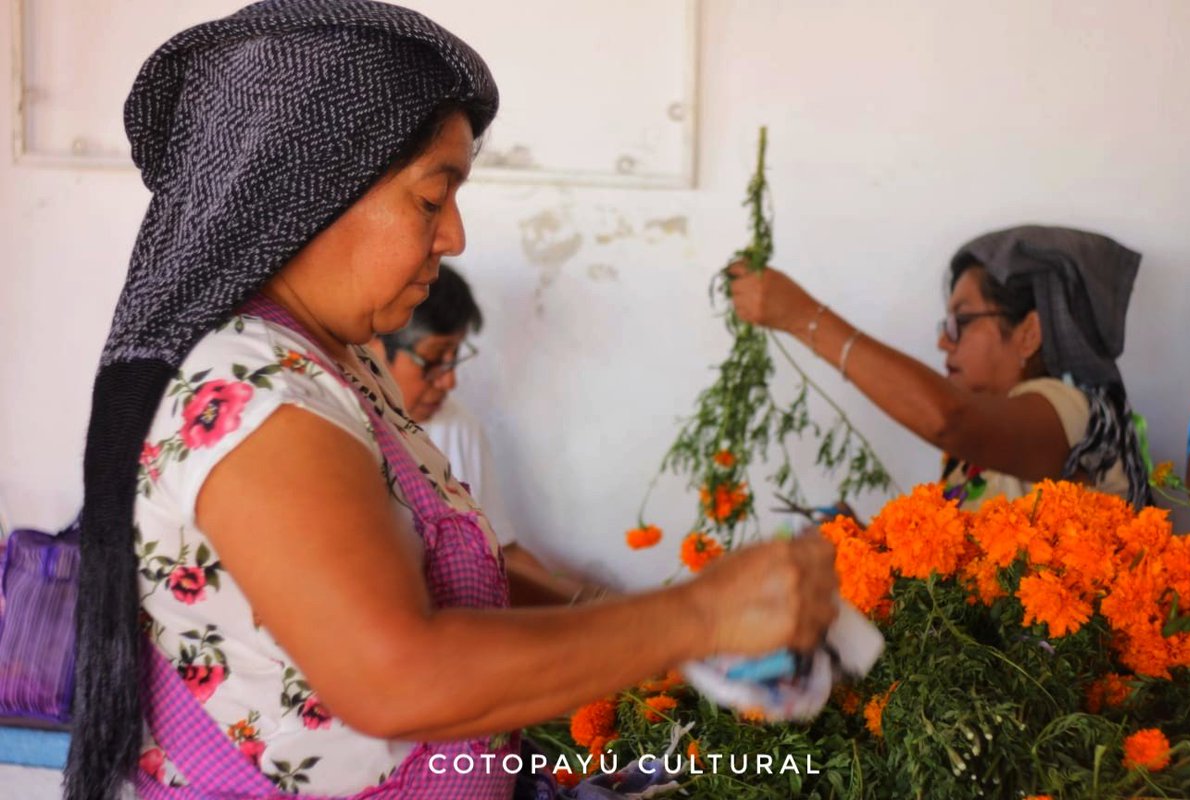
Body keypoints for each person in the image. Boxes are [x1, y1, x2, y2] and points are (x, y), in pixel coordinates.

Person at [68, 3, 838, 799]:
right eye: (433, 199)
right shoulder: (250, 395)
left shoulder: (331, 361)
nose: (454, 237)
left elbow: (445, 576)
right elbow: (396, 678)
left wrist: (661, 631)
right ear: (311, 190)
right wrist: (699, 617)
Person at [729, 225, 1150, 512]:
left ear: (1028, 333)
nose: (943, 342)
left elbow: (949, 419)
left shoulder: (1076, 409)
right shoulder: (972, 454)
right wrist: (862, 544)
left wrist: (804, 318)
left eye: (960, 322)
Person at [371, 264, 603, 605]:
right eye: (433, 359)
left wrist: (584, 602)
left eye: (454, 358)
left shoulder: (457, 426)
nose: (449, 381)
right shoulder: (340, 429)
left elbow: (500, 552)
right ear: (372, 348)